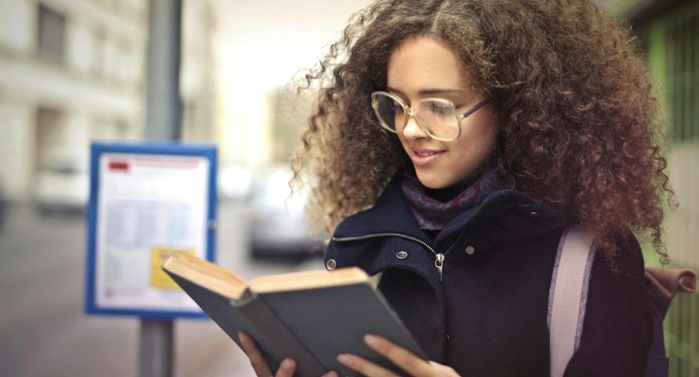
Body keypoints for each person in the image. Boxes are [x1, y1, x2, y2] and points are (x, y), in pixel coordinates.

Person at [240, 0, 674, 376]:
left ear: (511, 107)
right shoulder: (361, 246)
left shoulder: (589, 258)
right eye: (398, 104)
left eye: (440, 106)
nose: (410, 128)